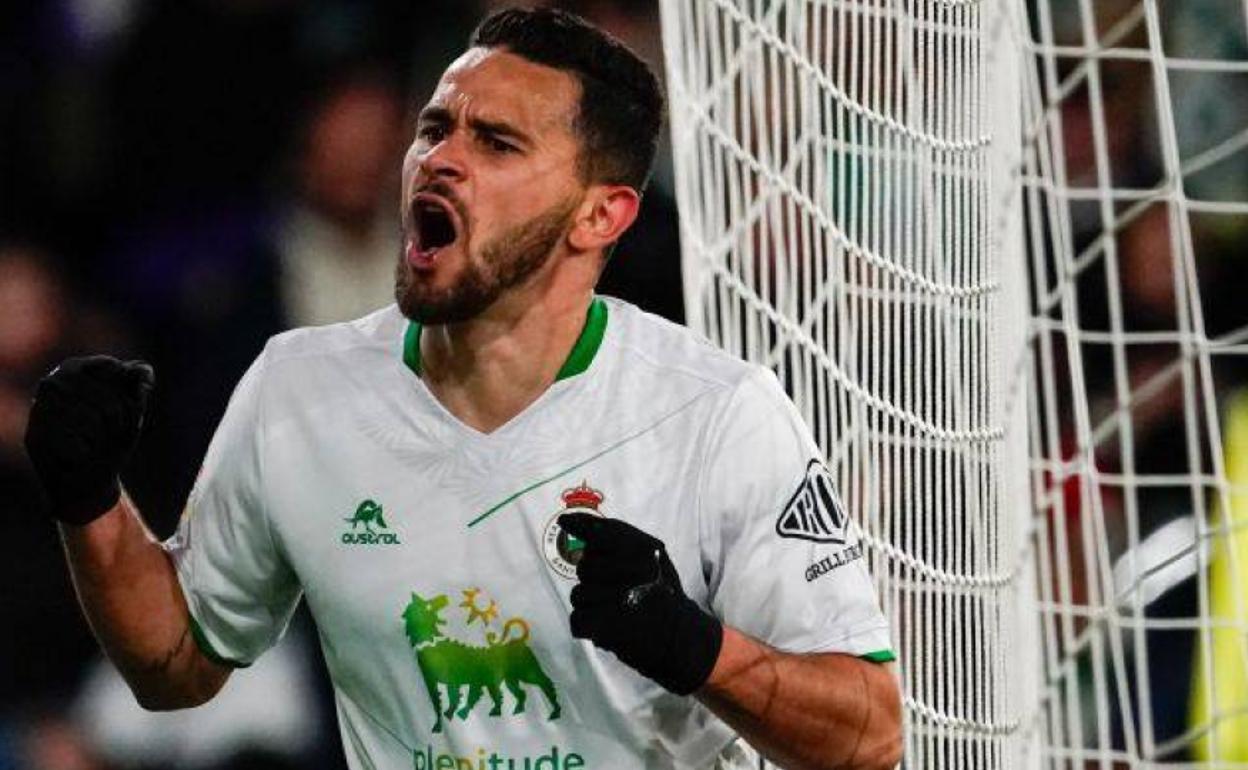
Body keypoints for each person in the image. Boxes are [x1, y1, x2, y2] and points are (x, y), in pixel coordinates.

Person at [23, 8, 902, 769]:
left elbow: (867, 735)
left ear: (602, 214)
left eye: (496, 142)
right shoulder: (299, 389)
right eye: (435, 127)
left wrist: (695, 646)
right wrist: (91, 502)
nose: (439, 159)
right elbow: (178, 659)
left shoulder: (717, 413)